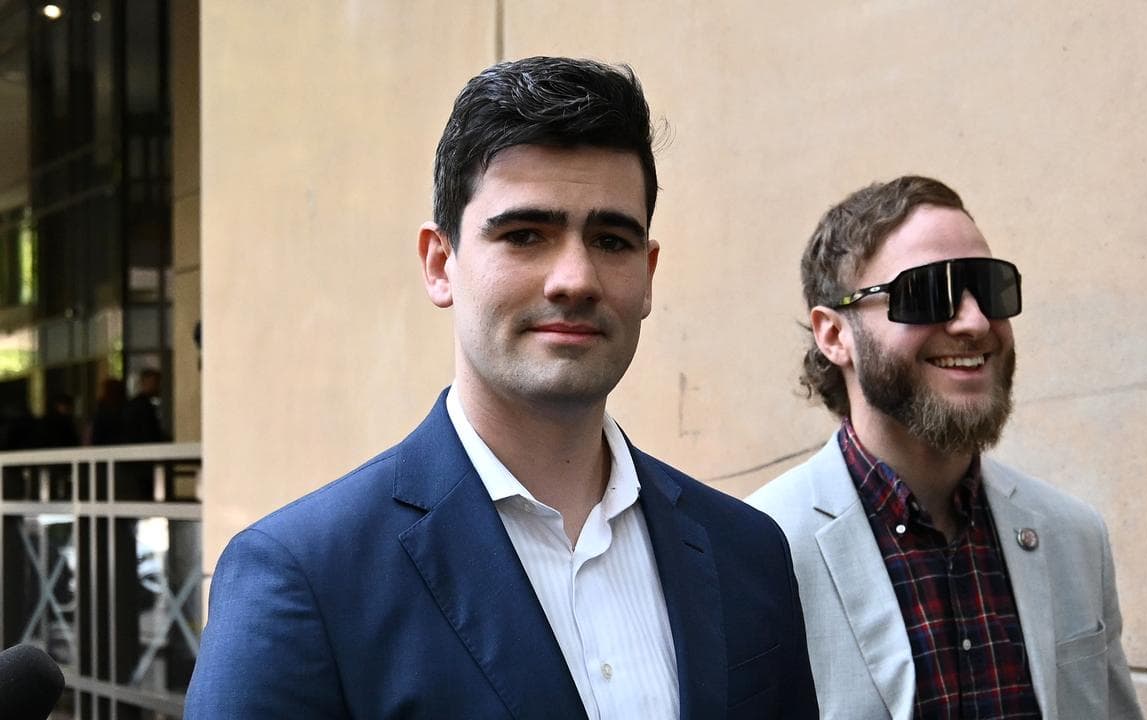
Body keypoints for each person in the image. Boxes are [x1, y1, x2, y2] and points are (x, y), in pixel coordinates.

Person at [186, 57, 817, 718]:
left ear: (648, 272)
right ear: (440, 265)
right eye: (525, 236)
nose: (575, 278)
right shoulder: (304, 576)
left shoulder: (746, 552)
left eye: (610, 239)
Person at [749, 176, 1142, 719]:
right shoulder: (756, 550)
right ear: (834, 335)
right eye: (928, 293)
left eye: (991, 287)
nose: (975, 321)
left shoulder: (1073, 537)